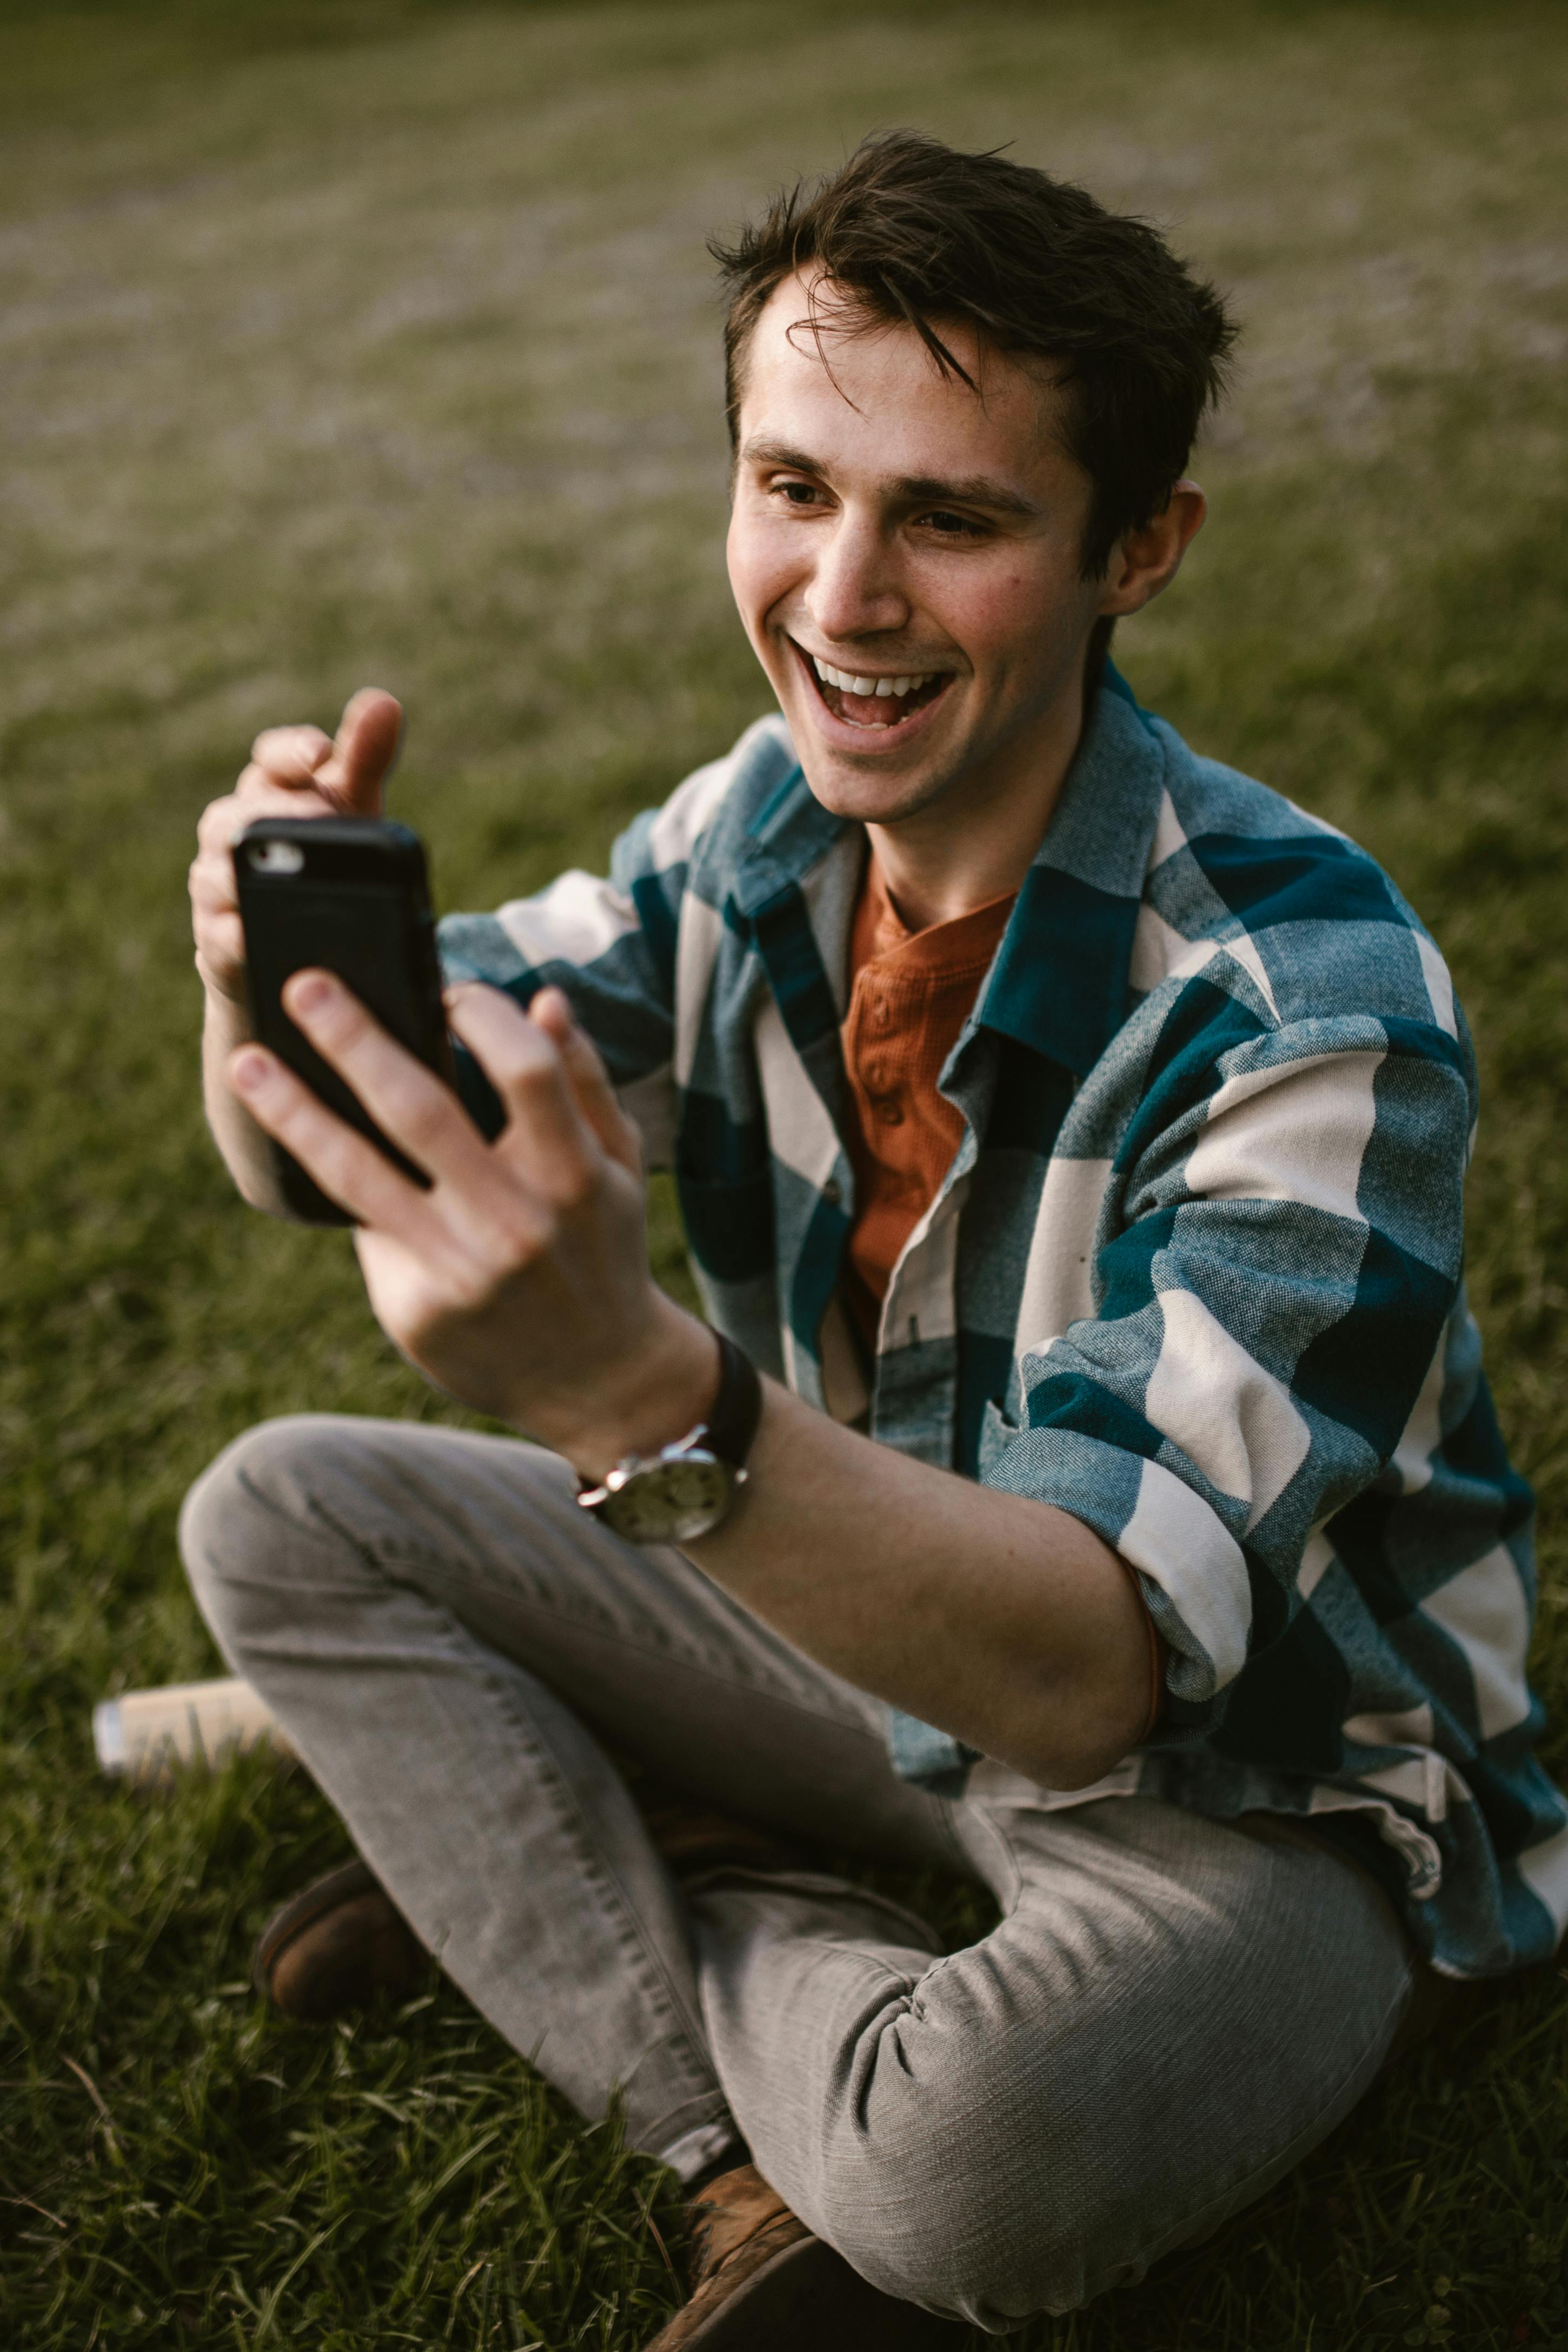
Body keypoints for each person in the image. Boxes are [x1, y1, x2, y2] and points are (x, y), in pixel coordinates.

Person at [181, 131, 1568, 2346]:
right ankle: (736, 2164)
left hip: (1247, 1779)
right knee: (281, 1507)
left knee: (967, 2149)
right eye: (792, 485)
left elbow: (1091, 1667)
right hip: (843, 1630)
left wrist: (637, 1393)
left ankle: (659, 1872)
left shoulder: (1313, 1005)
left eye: (948, 516)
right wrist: (276, 990)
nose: (839, 597)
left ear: (1137, 550)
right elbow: (351, 1136)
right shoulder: (744, 827)